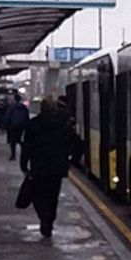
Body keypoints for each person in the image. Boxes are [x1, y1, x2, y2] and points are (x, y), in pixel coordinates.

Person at [20, 96, 81, 237]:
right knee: (53, 197)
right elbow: (78, 144)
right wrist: (71, 161)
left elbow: (26, 147)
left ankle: (43, 216)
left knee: (38, 196)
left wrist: (24, 166)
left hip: (38, 167)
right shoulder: (63, 125)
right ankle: (49, 220)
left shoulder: (33, 125)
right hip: (57, 168)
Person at [0, 93, 29, 160]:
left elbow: (7, 116)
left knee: (13, 142)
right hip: (21, 126)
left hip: (13, 126)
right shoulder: (24, 107)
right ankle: (24, 154)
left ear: (15, 99)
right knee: (20, 140)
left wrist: (3, 124)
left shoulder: (11, 107)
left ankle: (13, 155)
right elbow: (26, 117)